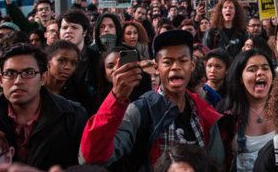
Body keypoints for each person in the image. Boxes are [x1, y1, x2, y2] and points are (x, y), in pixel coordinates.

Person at [80, 30, 225, 169]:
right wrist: (117, 97)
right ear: (156, 68)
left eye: (183, 61)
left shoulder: (203, 111)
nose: (176, 67)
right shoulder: (140, 111)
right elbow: (91, 157)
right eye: (168, 62)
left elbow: (216, 163)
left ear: (192, 65)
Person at [0, 44, 87, 169]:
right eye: (10, 73)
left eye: (29, 73)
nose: (18, 81)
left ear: (43, 78)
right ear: (0, 80)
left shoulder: (73, 115)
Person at [217, 49, 276, 171]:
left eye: (265, 68)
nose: (260, 73)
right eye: (252, 69)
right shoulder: (227, 116)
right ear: (240, 78)